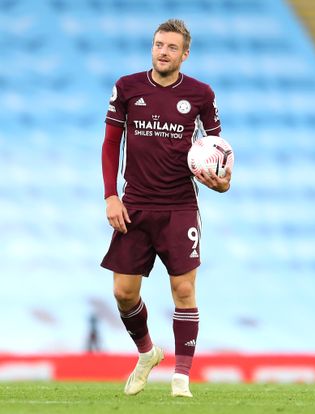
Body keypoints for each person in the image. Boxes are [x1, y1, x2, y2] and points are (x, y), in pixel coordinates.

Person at [101, 19, 231, 397]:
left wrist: (223, 182)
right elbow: (110, 144)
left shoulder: (201, 94)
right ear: (152, 47)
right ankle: (147, 353)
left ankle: (181, 378)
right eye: (159, 44)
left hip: (179, 207)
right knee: (123, 293)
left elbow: (218, 152)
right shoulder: (127, 87)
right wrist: (111, 195)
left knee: (184, 290)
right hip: (135, 205)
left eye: (172, 47)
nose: (163, 51)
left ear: (184, 54)